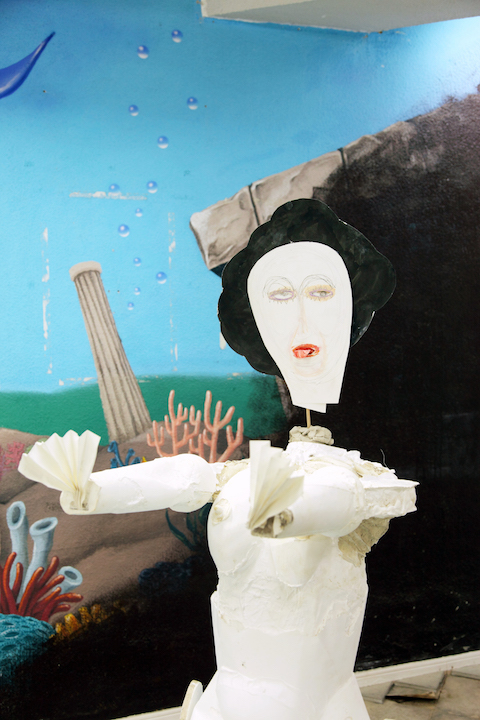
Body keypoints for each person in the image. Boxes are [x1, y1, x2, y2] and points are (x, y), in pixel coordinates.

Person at [19, 200, 416, 720]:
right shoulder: (240, 478)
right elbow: (188, 477)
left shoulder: (348, 480)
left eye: (321, 293)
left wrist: (292, 513)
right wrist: (94, 491)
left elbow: (338, 501)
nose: (301, 316)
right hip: (229, 694)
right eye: (281, 295)